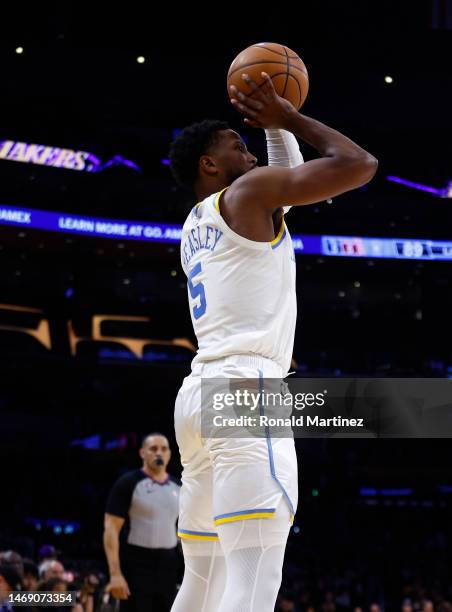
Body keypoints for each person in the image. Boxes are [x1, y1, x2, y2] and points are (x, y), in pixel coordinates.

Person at [168, 71, 378, 612]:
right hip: (244, 390)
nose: (251, 151)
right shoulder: (248, 194)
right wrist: (289, 119)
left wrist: (274, 128)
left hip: (198, 396)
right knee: (253, 579)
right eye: (237, 143)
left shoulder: (199, 222)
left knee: (201, 582)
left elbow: (287, 185)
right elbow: (359, 165)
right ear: (209, 166)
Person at [103, 433, 180, 612]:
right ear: (142, 453)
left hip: (169, 565)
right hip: (136, 564)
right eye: (153, 449)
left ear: (169, 454)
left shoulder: (179, 487)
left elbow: (182, 530)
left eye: (163, 449)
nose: (159, 453)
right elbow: (111, 529)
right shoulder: (128, 483)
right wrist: (115, 574)